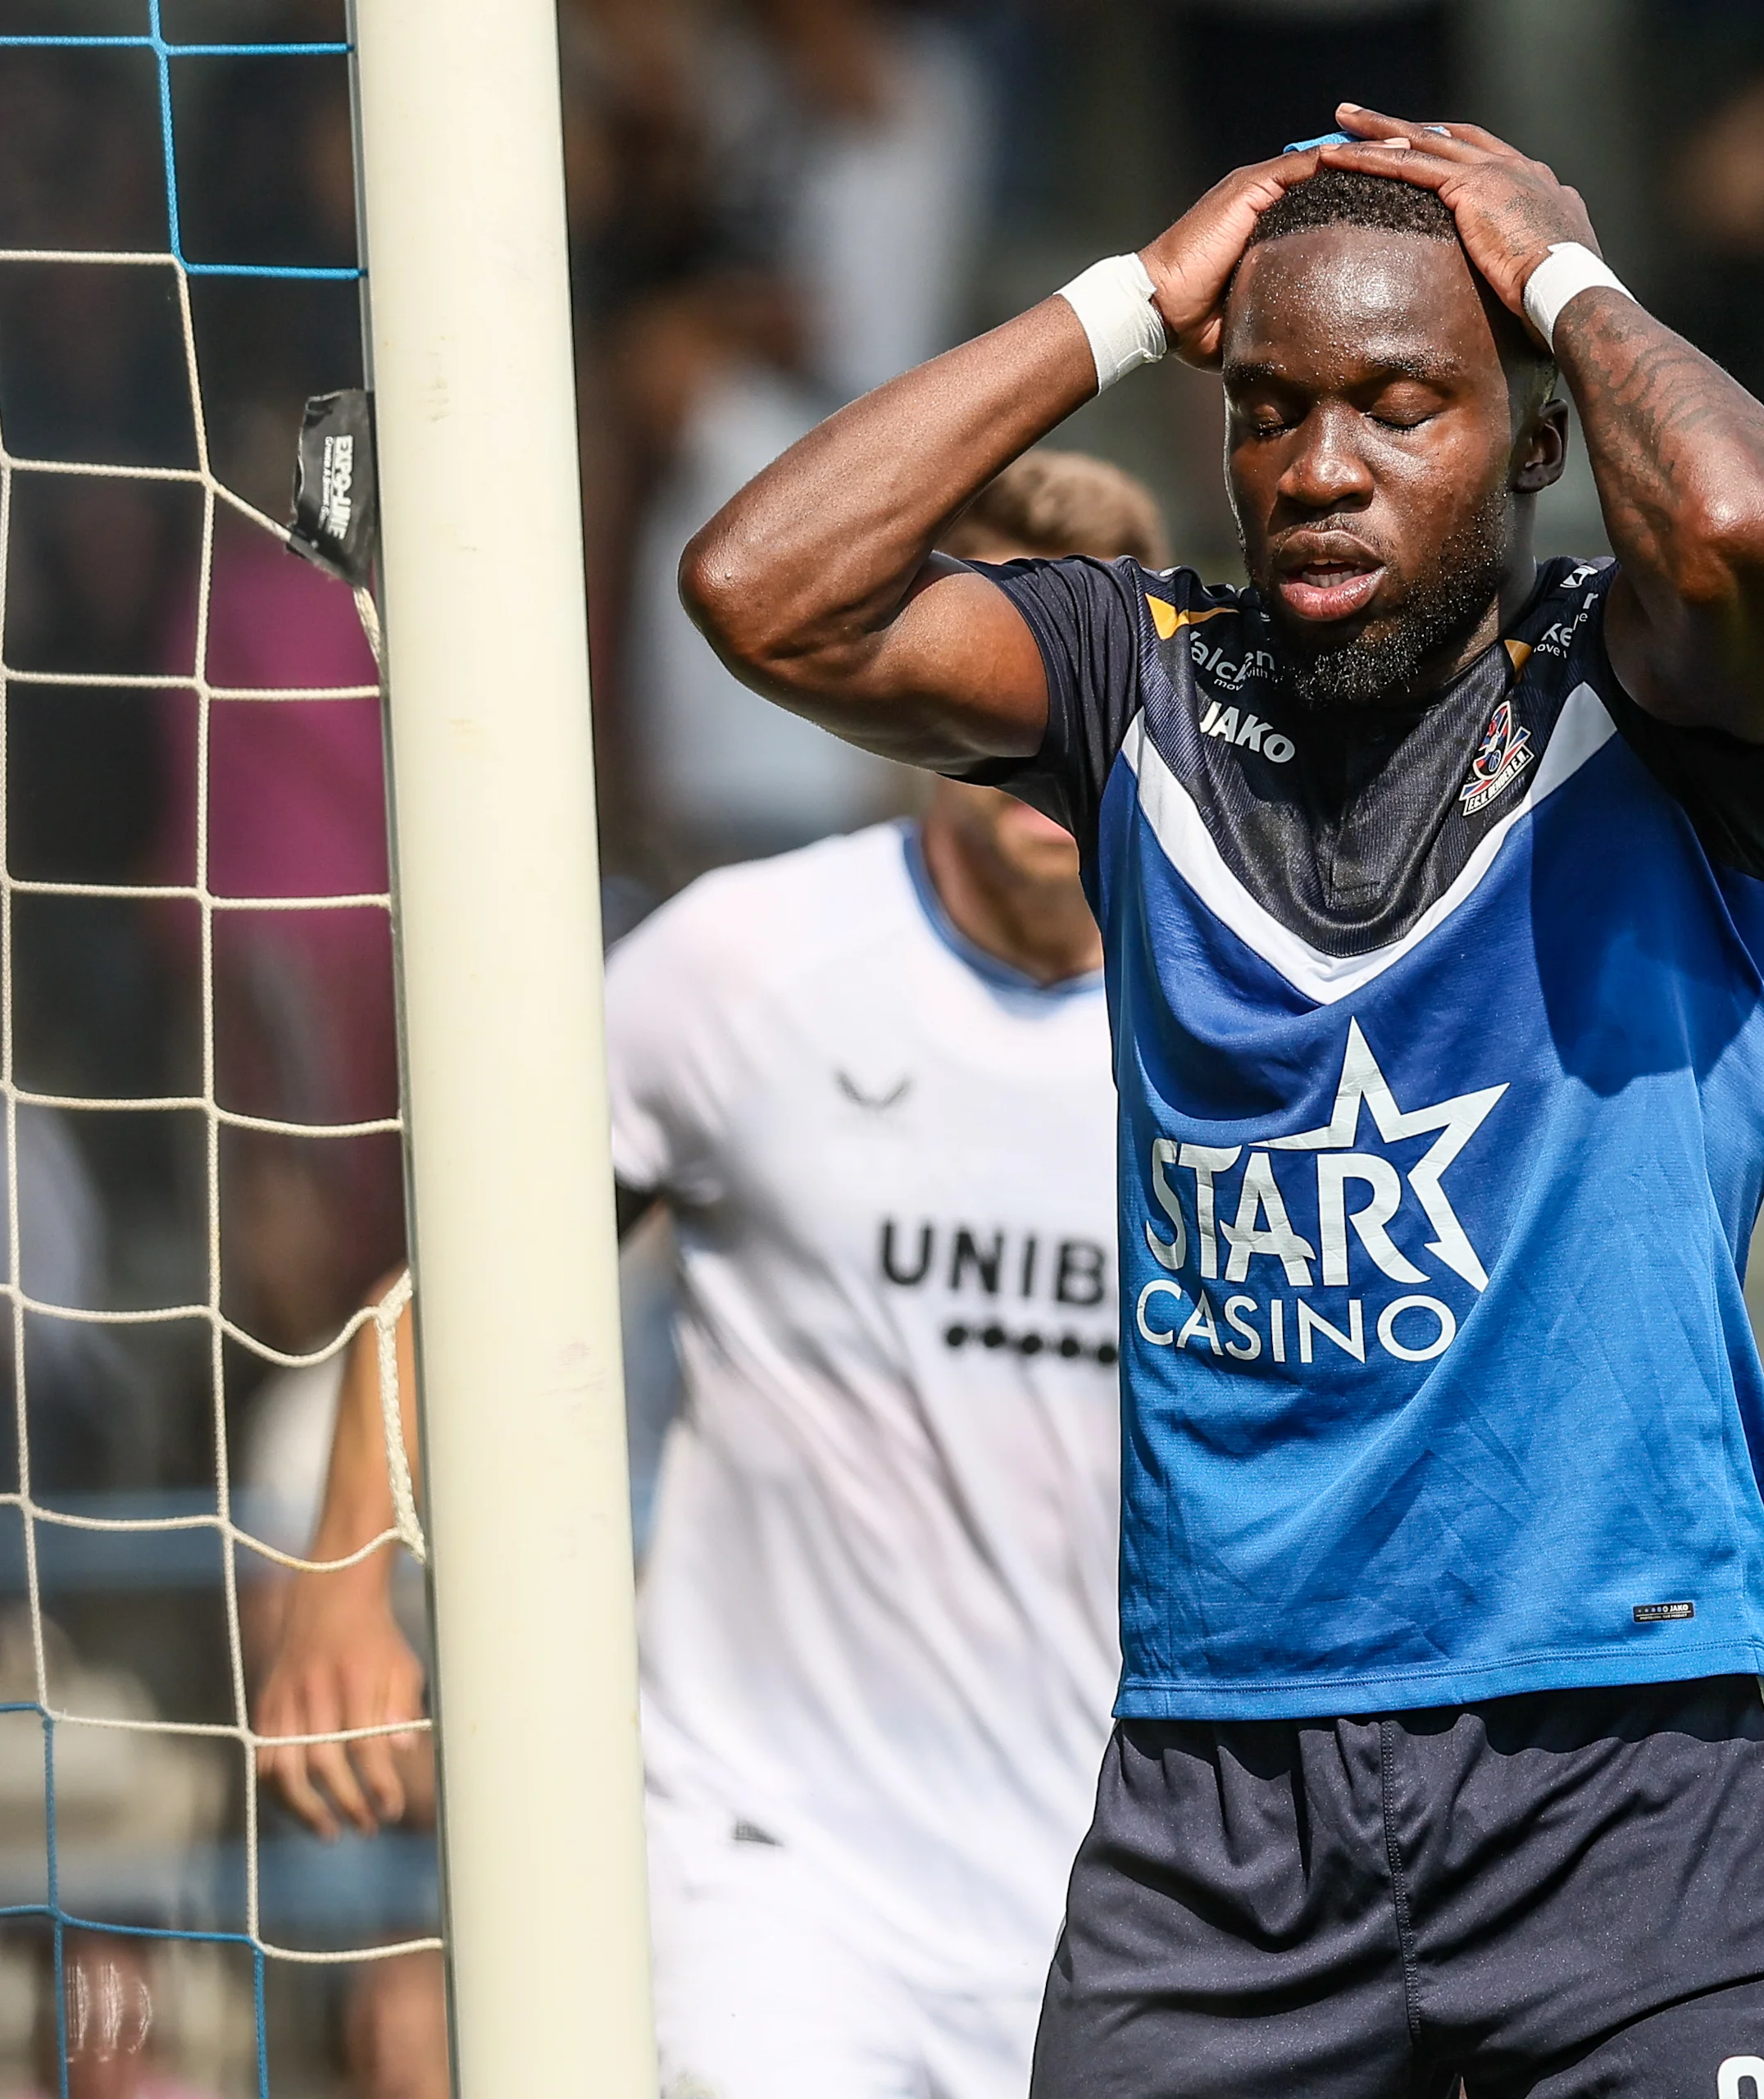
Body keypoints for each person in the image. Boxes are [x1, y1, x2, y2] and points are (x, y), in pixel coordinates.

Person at [680, 108, 1764, 2097]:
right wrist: (1127, 302)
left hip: (1625, 1776)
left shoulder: (1649, 706)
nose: (1321, 470)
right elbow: (765, 589)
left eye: (1402, 406)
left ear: (1539, 440)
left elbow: (1746, 529)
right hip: (1219, 1813)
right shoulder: (1138, 689)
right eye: (1272, 411)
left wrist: (1569, 273)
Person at [253, 453, 1159, 2099]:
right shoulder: (743, 963)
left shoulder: (1246, 1014)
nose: (1031, 729)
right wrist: (342, 1565)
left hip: (1115, 1879)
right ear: (917, 692)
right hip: (774, 1874)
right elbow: (463, 1269)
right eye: (989, 666)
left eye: (1069, 670)